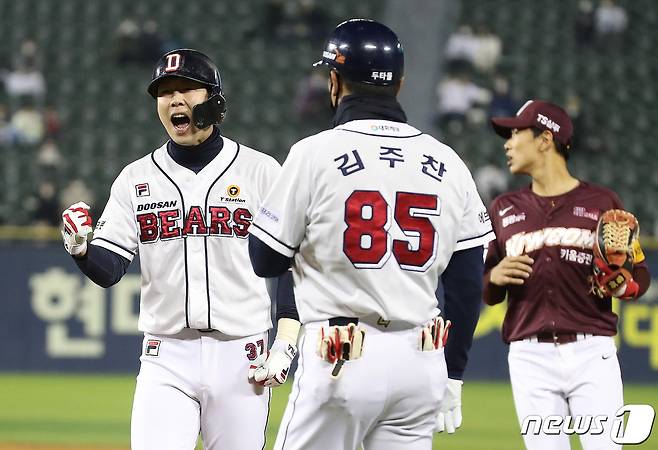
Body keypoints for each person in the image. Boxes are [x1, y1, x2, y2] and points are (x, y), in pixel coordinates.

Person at [247, 19, 494, 450]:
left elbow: (266, 259)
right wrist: (453, 371)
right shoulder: (448, 161)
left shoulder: (314, 154)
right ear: (399, 85)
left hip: (341, 354)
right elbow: (468, 281)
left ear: (335, 82)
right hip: (421, 362)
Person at [60, 48, 294, 450]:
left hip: (243, 354)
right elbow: (110, 268)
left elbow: (289, 266)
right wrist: (82, 251)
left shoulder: (260, 171)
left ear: (214, 101)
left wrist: (285, 342)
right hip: (165, 355)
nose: (175, 100)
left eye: (187, 88)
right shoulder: (136, 178)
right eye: (165, 92)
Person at [484, 99, 651, 450]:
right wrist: (494, 276)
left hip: (593, 353)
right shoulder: (503, 209)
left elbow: (640, 279)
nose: (507, 143)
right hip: (530, 358)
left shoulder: (603, 203)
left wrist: (625, 283)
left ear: (545, 139)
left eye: (516, 134)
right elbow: (488, 292)